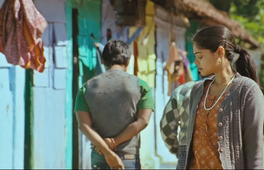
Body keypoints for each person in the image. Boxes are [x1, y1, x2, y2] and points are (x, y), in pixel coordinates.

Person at [178, 25, 264, 169]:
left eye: (200, 56)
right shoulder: (198, 91)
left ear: (219, 52)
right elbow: (189, 145)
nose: (195, 62)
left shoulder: (247, 91)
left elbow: (255, 151)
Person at [74, 40, 154, 169]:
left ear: (103, 61)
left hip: (99, 158)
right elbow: (143, 121)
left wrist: (106, 151)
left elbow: (84, 126)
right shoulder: (141, 86)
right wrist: (115, 142)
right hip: (128, 158)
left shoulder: (86, 88)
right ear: (127, 62)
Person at [160, 74, 212, 168]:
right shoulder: (228, 90)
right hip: (218, 152)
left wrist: (176, 149)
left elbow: (166, 128)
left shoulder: (183, 91)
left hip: (186, 150)